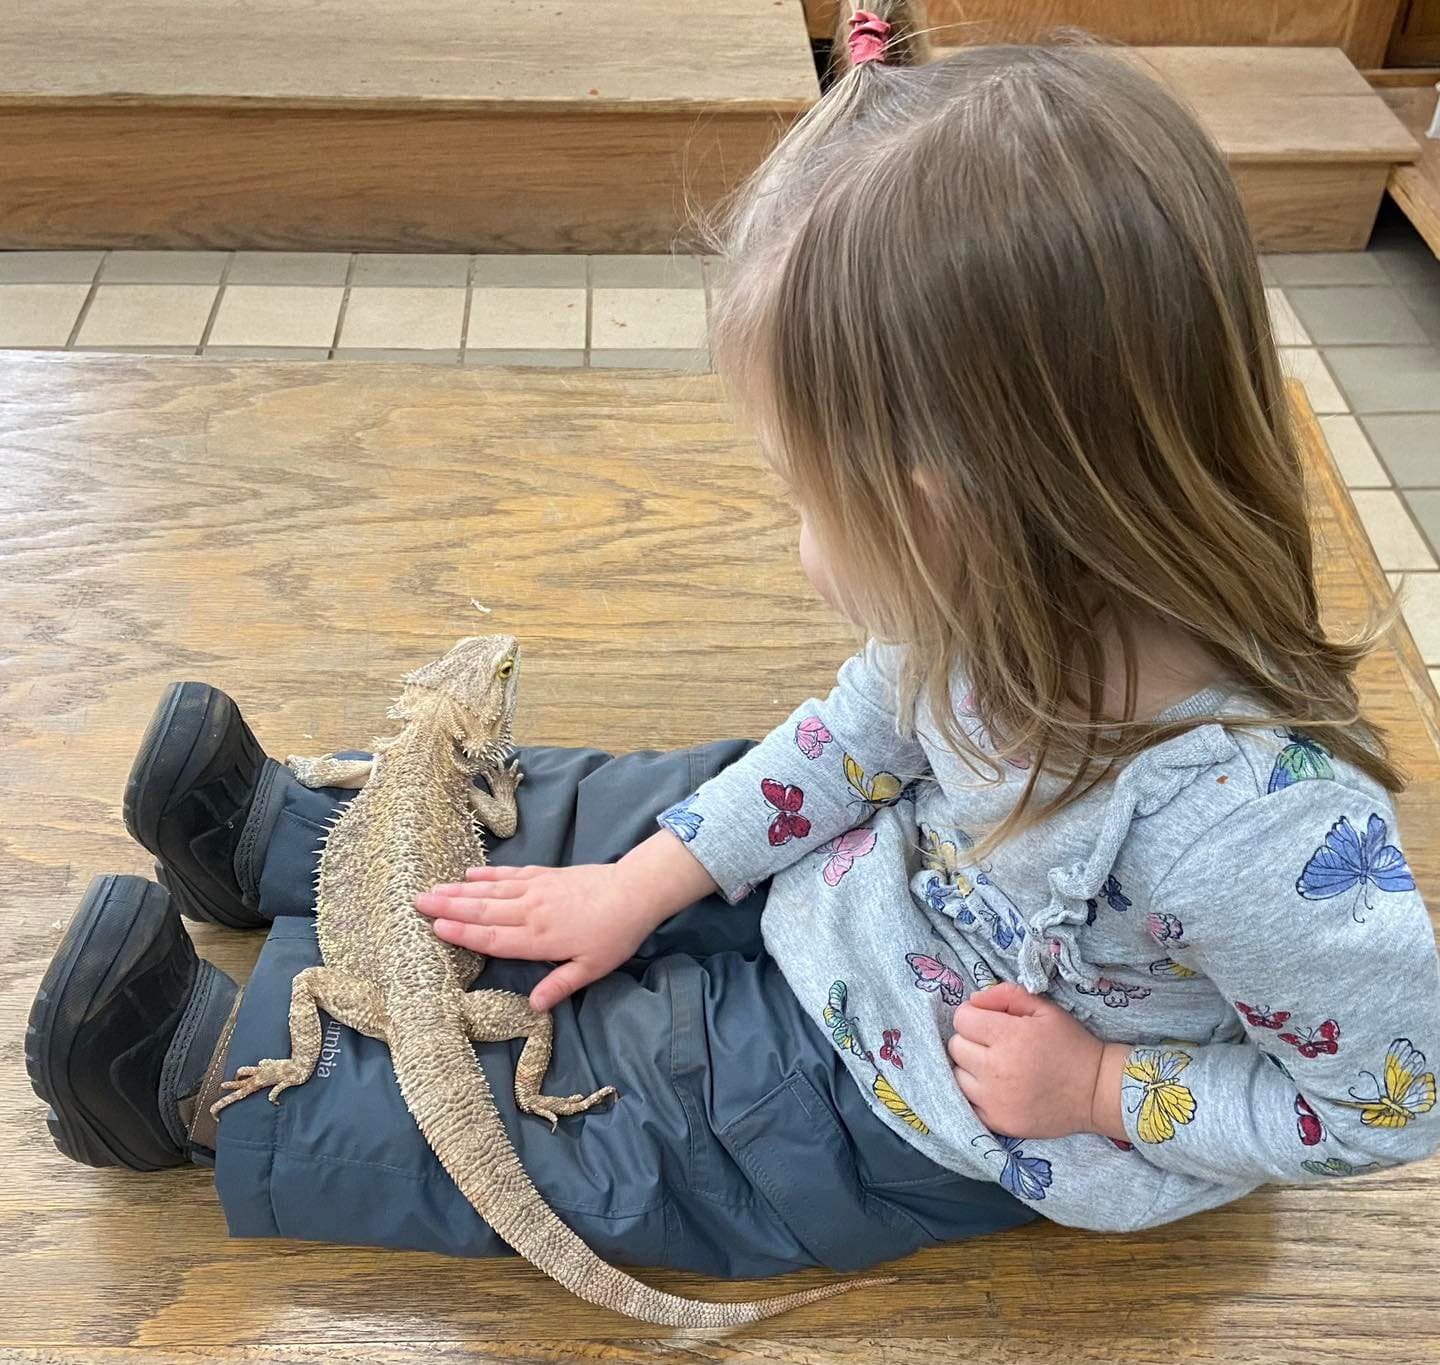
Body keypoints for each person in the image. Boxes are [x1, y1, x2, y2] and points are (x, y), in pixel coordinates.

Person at [28, 5, 1440, 1276]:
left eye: (803, 500)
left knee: (662, 1108)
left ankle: (199, 1085)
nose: (796, 541)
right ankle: (285, 845)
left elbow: (1397, 1092)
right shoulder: (1013, 603)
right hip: (889, 881)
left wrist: (1099, 1093)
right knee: (634, 803)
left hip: (927, 1093)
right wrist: (644, 879)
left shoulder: (1262, 846)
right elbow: (858, 732)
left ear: (946, 519)